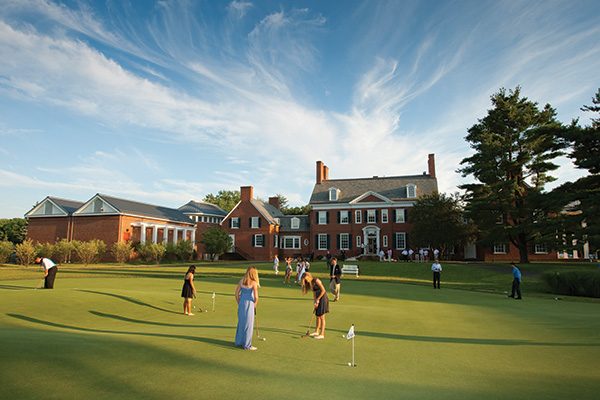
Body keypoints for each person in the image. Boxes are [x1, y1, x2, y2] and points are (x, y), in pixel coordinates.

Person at [235, 266, 260, 350]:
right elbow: (256, 297)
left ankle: (239, 342)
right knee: (248, 324)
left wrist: (239, 302)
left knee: (241, 323)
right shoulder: (254, 283)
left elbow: (236, 293)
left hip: (242, 303)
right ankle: (247, 345)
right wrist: (255, 305)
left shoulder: (241, 281)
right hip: (249, 304)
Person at [301, 272, 328, 339]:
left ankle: (322, 334)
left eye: (306, 279)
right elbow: (314, 293)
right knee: (317, 316)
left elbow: (323, 291)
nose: (306, 280)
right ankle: (316, 331)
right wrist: (315, 301)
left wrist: (318, 299)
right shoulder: (310, 283)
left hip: (323, 298)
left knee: (322, 316)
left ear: (309, 276)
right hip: (318, 299)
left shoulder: (316, 280)